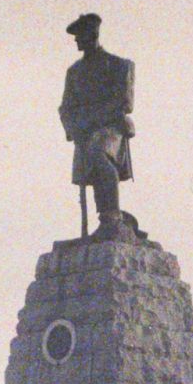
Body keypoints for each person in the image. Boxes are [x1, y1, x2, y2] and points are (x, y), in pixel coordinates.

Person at [59, 13, 135, 235]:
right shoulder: (74, 73)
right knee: (92, 160)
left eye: (79, 35)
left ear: (92, 34)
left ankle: (110, 217)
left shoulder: (120, 65)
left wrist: (89, 122)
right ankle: (107, 221)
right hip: (84, 131)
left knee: (98, 153)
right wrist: (73, 128)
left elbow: (124, 102)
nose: (75, 40)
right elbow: (65, 108)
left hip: (111, 128)